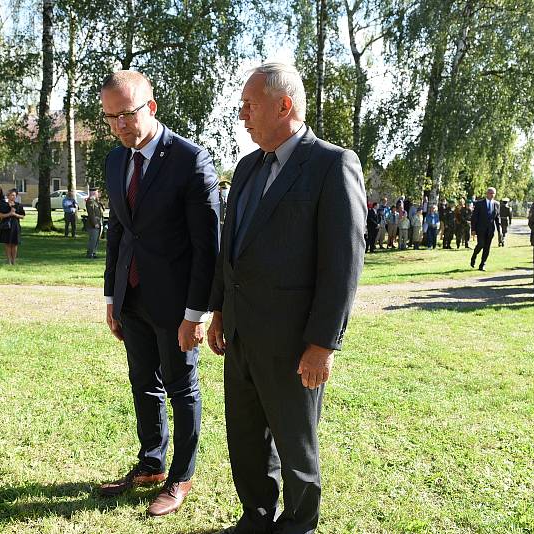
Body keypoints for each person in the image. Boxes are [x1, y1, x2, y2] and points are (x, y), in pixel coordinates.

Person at [207, 63, 366, 534]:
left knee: (296, 446)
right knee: (246, 440)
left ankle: (298, 525)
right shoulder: (247, 166)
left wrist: (323, 343)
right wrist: (219, 311)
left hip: (295, 342)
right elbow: (229, 248)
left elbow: (343, 263)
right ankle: (256, 517)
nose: (242, 116)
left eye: (249, 106)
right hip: (239, 335)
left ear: (284, 105)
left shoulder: (331, 164)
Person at [96, 70, 220, 517]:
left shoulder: (191, 160)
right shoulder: (115, 161)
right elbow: (119, 235)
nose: (119, 125)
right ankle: (150, 463)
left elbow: (208, 248)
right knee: (143, 384)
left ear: (150, 107)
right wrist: (112, 298)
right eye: (110, 118)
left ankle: (180, 477)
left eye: (126, 114)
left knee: (181, 387)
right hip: (132, 298)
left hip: (177, 305)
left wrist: (196, 313)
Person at [470, 187, 501, 271]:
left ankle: (482, 264)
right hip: (480, 229)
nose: (492, 195)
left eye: (493, 193)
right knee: (481, 244)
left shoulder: (496, 204)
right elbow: (474, 217)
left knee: (487, 247)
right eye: (490, 193)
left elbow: (497, 218)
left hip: (490, 230)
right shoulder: (479, 203)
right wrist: (473, 229)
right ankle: (474, 256)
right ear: (487, 194)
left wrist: (499, 231)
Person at [0, 188, 25, 264]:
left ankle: (14, 260)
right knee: (7, 243)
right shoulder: (3, 205)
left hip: (15, 226)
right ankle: (8, 260)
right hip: (6, 226)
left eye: (14, 195)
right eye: (11, 195)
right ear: (8, 196)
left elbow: (22, 216)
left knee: (14, 244)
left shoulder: (18, 205)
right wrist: (9, 214)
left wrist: (15, 214)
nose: (13, 197)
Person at [85, 187, 104, 258]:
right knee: (93, 239)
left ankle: (93, 253)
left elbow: (102, 210)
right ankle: (90, 254)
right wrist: (95, 223)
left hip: (99, 223)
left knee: (96, 240)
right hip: (93, 224)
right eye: (97, 192)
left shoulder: (96, 201)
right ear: (94, 192)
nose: (98, 193)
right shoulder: (90, 201)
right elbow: (91, 213)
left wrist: (100, 203)